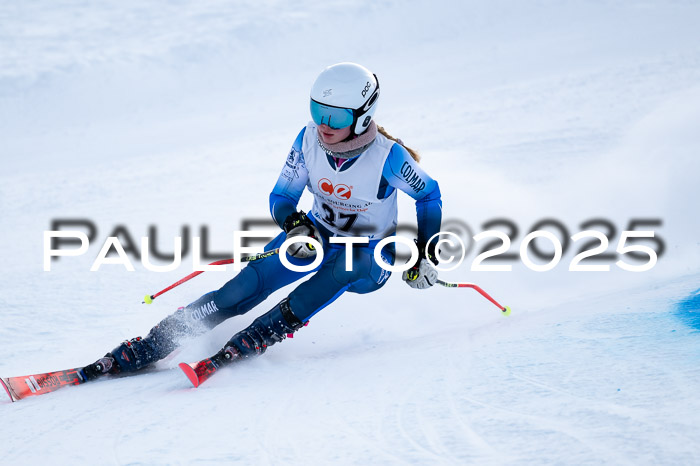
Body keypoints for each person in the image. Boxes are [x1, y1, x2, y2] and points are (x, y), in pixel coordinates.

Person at [81, 62, 443, 380]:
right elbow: (281, 197)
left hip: (369, 255)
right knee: (238, 291)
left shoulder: (388, 158)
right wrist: (296, 225)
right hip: (318, 234)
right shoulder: (308, 140)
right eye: (318, 111)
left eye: (335, 117)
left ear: (362, 116)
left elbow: (429, 195)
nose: (323, 125)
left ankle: (262, 333)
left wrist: (427, 255)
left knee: (349, 263)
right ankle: (157, 341)